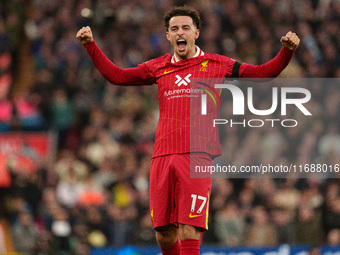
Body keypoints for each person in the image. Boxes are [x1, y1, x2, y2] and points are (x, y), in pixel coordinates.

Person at [76, 5, 300, 255]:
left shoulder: (217, 64)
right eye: (174, 29)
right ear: (168, 36)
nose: (180, 32)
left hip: (196, 155)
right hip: (162, 156)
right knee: (164, 233)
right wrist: (90, 45)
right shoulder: (158, 67)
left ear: (196, 32)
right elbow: (117, 76)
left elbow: (262, 73)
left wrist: (286, 51)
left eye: (185, 28)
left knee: (189, 228)